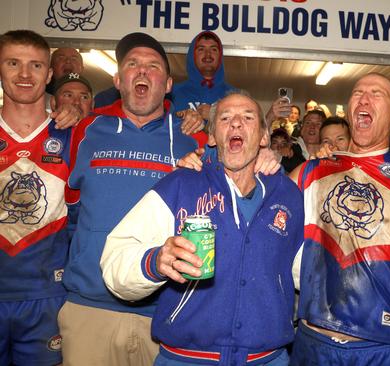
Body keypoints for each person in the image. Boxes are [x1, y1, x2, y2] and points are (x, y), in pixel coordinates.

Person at [100, 92, 304, 366]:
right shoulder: (181, 184)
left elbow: (307, 272)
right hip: (185, 359)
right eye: (225, 117)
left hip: (268, 359)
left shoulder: (288, 195)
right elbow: (116, 259)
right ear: (211, 136)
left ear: (264, 137)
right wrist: (155, 262)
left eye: (247, 117)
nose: (235, 124)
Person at [288, 73, 390, 365]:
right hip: (314, 343)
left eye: (377, 93)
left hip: (383, 348)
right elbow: (260, 225)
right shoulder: (309, 172)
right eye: (357, 92)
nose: (364, 98)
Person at [59, 32, 199, 365]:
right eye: (132, 64)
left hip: (165, 313)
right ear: (118, 79)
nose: (142, 71)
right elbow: (68, 211)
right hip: (88, 310)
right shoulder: (86, 129)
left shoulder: (193, 137)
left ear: (167, 84)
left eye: (153, 66)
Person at [0, 29, 73, 366]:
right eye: (13, 63)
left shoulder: (75, 134)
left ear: (49, 73)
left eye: (36, 65)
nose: (25, 75)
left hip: (47, 297)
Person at [171, 31, 235, 121]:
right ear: (192, 56)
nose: (208, 55)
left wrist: (215, 115)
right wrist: (178, 119)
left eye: (213, 49)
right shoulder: (173, 94)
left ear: (220, 56)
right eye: (201, 49)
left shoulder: (235, 96)